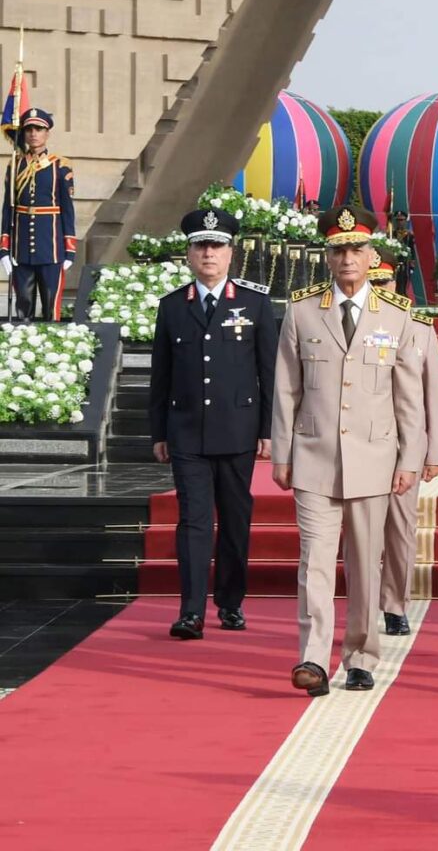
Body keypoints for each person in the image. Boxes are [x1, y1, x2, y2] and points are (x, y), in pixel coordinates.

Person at [271, 205, 424, 697]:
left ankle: (360, 654)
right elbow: (286, 388)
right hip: (314, 458)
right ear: (327, 257)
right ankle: (313, 658)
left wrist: (409, 458)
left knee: (365, 562)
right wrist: (281, 453)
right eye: (338, 250)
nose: (347, 258)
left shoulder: (395, 317)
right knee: (314, 560)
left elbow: (407, 398)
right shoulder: (301, 311)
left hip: (374, 459)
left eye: (356, 249)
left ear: (371, 254)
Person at [149, 208, 277, 639]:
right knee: (193, 520)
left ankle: (230, 601)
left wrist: (268, 431)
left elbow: (269, 372)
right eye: (201, 245)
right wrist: (159, 433)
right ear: (189, 254)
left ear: (230, 253)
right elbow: (160, 376)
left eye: (217, 246)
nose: (209, 253)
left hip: (238, 429)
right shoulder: (172, 307)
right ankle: (190, 611)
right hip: (186, 429)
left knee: (236, 520)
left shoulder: (255, 303)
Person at [368, 252, 438, 636]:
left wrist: (435, 453)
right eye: (373, 283)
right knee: (361, 531)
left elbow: (435, 395)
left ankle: (394, 603)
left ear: (396, 286)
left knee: (400, 530)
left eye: (385, 282)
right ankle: (365, 601)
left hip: (406, 448)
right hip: (363, 446)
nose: (380, 290)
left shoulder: (420, 328)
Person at [0, 109, 76, 320]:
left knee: (52, 310)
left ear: (47, 133)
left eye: (39, 129)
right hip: (21, 249)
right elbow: (8, 208)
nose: (33, 134)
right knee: (23, 310)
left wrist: (69, 251)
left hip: (51, 249)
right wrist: (4, 248)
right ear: (24, 133)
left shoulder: (60, 165)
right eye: (29, 129)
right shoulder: (15, 165)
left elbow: (67, 210)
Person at [393, 210, 415, 296]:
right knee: (395, 280)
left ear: (405, 221)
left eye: (402, 220)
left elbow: (412, 249)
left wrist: (412, 261)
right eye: (398, 220)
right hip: (394, 261)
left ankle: (403, 295)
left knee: (404, 280)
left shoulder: (409, 235)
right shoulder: (392, 234)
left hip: (406, 262)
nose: (400, 222)